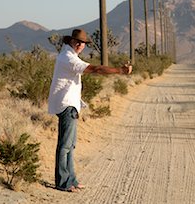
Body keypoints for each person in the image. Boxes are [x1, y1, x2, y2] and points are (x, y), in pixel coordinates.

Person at [48, 28, 132, 193]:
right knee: (65, 146)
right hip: (66, 105)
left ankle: (70, 179)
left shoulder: (70, 56)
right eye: (77, 42)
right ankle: (62, 182)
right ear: (70, 41)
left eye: (83, 43)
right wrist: (119, 71)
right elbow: (95, 69)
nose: (80, 45)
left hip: (70, 104)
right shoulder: (68, 58)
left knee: (70, 145)